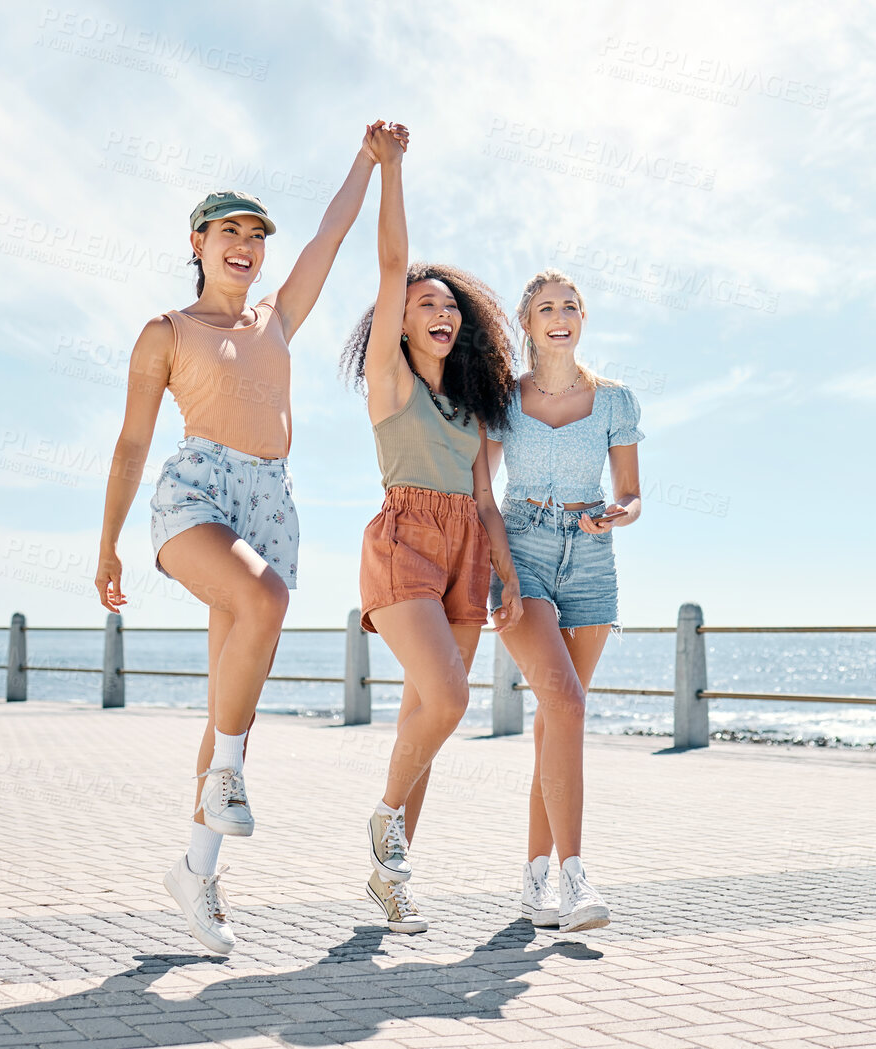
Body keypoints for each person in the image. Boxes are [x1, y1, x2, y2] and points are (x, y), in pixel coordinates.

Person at [94, 121, 405, 955]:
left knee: (232, 699)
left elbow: (333, 235)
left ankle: (196, 874)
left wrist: (370, 161)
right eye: (228, 230)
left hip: (268, 499)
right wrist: (108, 544)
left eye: (255, 234)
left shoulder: (276, 319)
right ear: (197, 242)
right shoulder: (165, 331)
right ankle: (226, 776)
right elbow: (131, 442)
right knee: (261, 596)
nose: (246, 243)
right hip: (195, 492)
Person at [338, 125, 519, 933]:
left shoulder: (474, 405)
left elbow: (485, 497)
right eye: (423, 304)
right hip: (405, 539)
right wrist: (392, 169)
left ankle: (392, 874)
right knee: (445, 697)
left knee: (429, 717)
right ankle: (385, 818)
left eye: (449, 304)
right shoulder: (388, 379)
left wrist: (507, 573)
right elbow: (387, 265)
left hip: (467, 552)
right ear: (400, 323)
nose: (438, 311)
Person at [485, 269, 643, 932]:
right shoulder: (501, 399)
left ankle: (532, 882)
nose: (560, 316)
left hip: (591, 560)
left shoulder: (614, 400)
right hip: (521, 553)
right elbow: (478, 494)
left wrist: (617, 513)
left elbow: (632, 493)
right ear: (527, 321)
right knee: (567, 703)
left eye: (570, 306)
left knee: (557, 721)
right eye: (546, 307)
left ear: (583, 319)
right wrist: (501, 573)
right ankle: (575, 876)